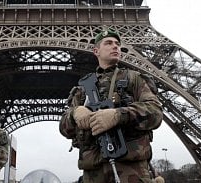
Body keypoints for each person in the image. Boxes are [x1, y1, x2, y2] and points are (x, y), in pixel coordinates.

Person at [59, 29, 163, 183]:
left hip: (131, 170)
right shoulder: (82, 89)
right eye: (108, 43)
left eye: (117, 44)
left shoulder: (134, 79)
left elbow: (156, 113)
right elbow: (64, 128)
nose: (115, 46)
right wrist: (74, 113)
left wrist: (118, 115)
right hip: (93, 172)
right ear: (96, 51)